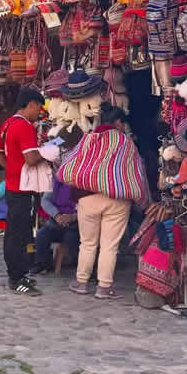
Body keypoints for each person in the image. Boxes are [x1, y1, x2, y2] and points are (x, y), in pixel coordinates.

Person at [69, 104, 141, 300]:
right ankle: (104, 287)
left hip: (88, 196)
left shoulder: (88, 140)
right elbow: (135, 170)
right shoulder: (126, 143)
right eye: (122, 122)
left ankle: (82, 283)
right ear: (117, 122)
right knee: (110, 245)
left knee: (87, 243)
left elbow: (75, 163)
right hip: (117, 199)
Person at [0, 88, 46, 296]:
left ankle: (18, 273)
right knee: (20, 233)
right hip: (23, 188)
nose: (38, 112)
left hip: (14, 186)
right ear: (31, 104)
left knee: (15, 231)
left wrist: (11, 167)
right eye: (38, 107)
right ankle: (17, 277)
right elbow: (31, 159)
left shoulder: (8, 123)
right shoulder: (24, 127)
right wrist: (47, 153)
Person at [30, 175, 79, 275]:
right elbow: (45, 201)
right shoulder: (56, 181)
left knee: (72, 239)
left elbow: (86, 205)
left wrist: (73, 216)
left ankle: (83, 267)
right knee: (41, 235)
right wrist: (57, 215)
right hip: (56, 221)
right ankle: (41, 264)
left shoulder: (81, 182)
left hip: (76, 223)